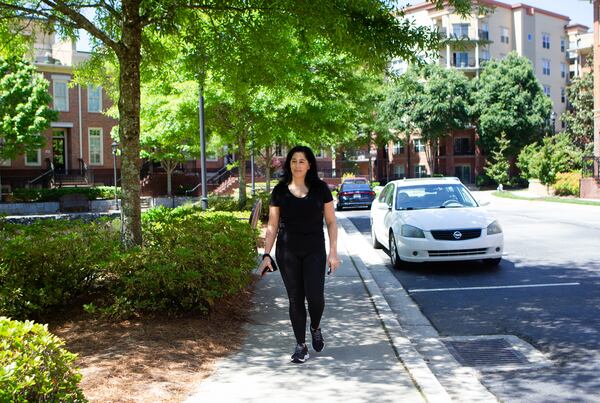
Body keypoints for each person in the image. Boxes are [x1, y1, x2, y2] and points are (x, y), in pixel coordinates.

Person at [258, 145, 341, 363]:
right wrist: (266, 255)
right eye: (293, 161)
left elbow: (331, 222)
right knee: (295, 298)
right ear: (289, 164)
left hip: (314, 248)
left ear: (309, 164)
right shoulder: (279, 190)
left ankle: (315, 326)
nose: (297, 165)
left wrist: (333, 252)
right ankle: (300, 345)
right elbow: (272, 225)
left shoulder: (321, 189)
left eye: (302, 161)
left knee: (315, 297)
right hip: (287, 251)